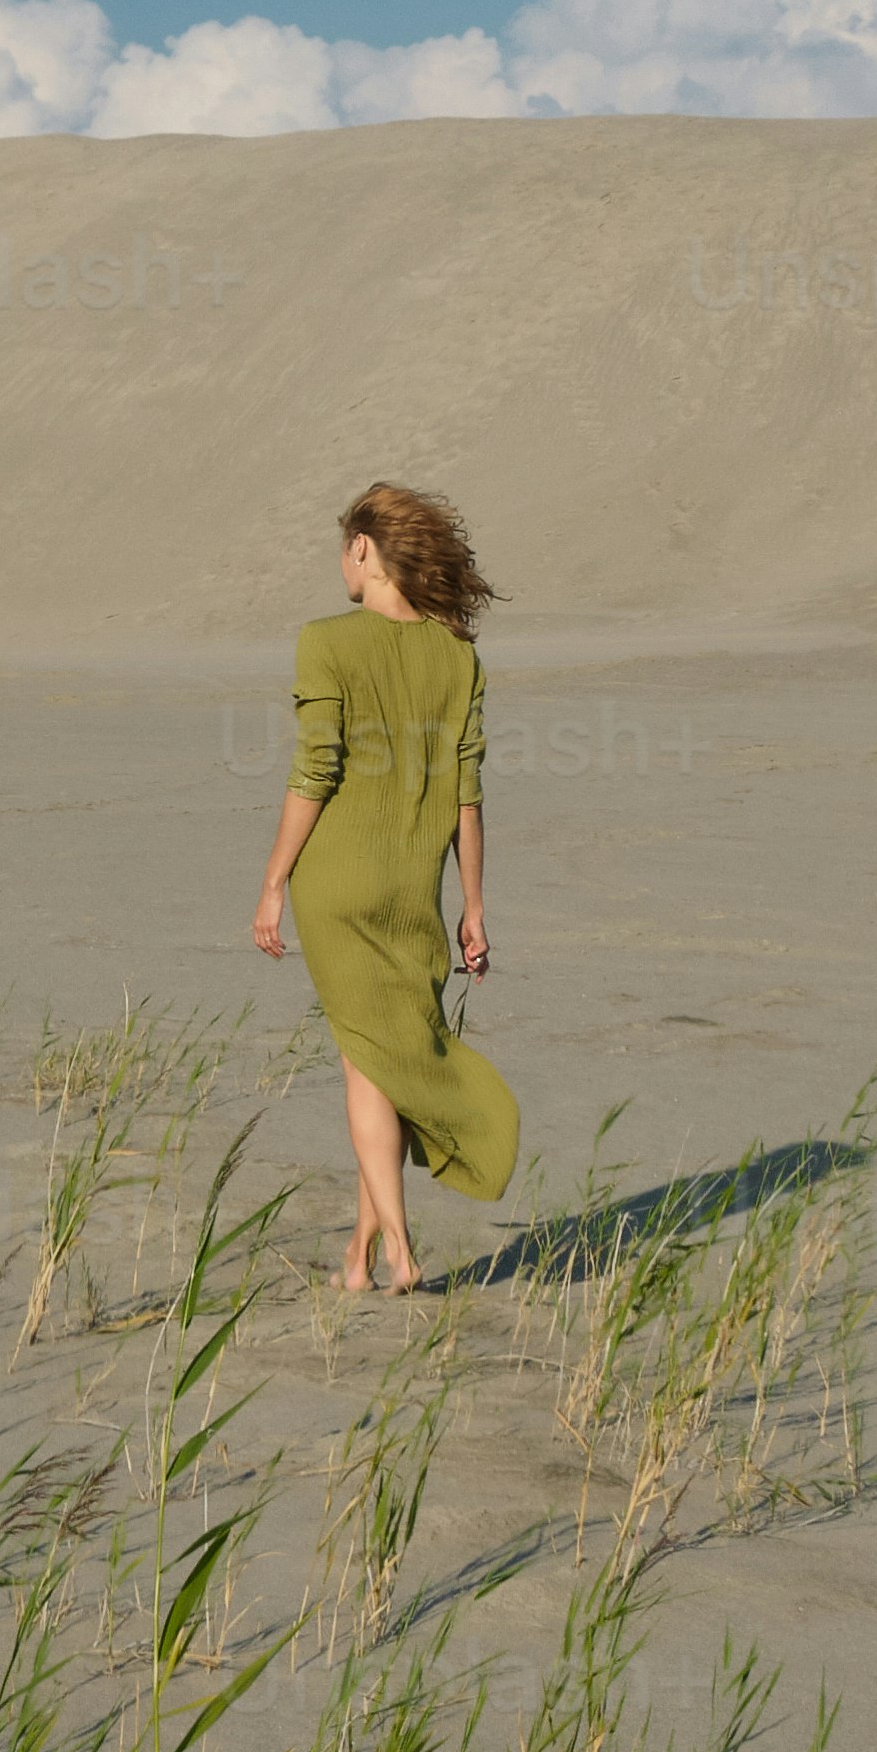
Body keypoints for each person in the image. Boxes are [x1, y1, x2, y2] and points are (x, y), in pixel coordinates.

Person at [252, 478, 520, 1290]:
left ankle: (397, 1252)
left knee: (370, 1062)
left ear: (362, 550)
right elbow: (467, 796)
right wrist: (473, 907)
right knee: (386, 1057)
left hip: (337, 883)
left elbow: (315, 771)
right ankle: (358, 1259)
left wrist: (272, 882)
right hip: (416, 887)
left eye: (343, 548)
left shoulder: (325, 640)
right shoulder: (457, 656)